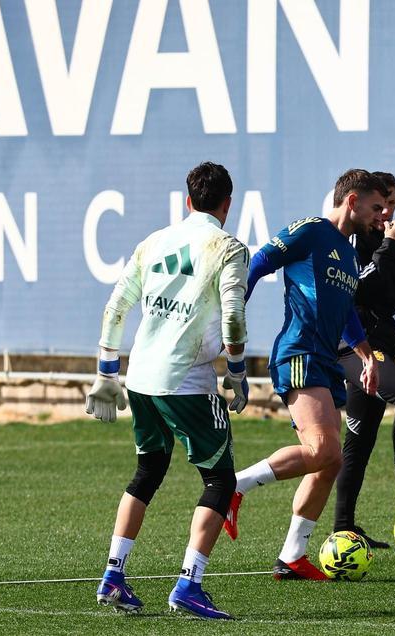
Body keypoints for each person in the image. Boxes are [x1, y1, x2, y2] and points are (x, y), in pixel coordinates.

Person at [87, 161, 250, 619]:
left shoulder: (153, 241)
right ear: (227, 204)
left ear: (187, 200)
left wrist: (106, 373)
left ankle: (113, 574)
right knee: (220, 480)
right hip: (187, 382)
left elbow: (116, 306)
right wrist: (236, 371)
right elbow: (234, 314)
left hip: (140, 378)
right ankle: (189, 584)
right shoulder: (228, 247)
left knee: (148, 471)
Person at [221, 169, 384, 580]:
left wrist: (365, 355)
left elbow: (345, 312)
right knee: (325, 451)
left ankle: (292, 556)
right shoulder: (311, 229)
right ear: (352, 200)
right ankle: (233, 485)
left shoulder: (347, 253)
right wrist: (234, 317)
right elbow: (259, 262)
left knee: (329, 463)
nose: (380, 216)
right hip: (300, 352)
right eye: (376, 207)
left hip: (326, 361)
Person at [334, 172, 395, 549]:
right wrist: (391, 247)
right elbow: (357, 284)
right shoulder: (358, 237)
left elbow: (379, 294)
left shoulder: (382, 238)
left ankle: (343, 527)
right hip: (352, 350)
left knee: (358, 442)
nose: (387, 211)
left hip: (376, 350)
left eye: (392, 203)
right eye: (381, 204)